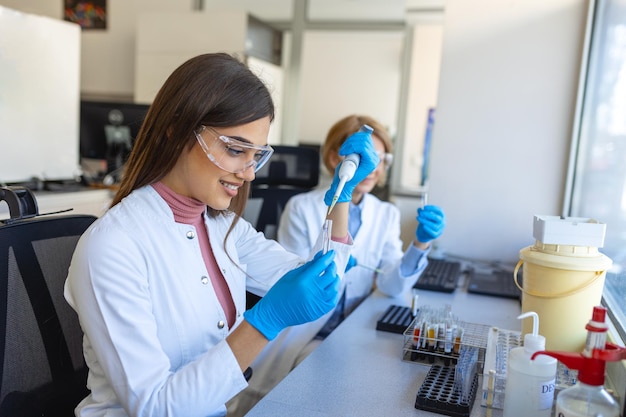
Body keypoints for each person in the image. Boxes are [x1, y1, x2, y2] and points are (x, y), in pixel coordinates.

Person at [64, 53, 379, 417]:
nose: (249, 174)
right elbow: (154, 408)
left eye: (256, 155)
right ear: (177, 130)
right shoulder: (113, 245)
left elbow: (321, 286)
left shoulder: (222, 226)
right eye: (234, 149)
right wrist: (265, 322)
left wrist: (343, 193)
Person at [227, 114, 445, 416]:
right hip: (309, 331)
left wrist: (419, 245)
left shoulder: (387, 213)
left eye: (380, 158)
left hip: (356, 330)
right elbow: (304, 284)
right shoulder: (302, 207)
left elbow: (390, 285)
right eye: (363, 157)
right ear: (334, 158)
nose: (373, 166)